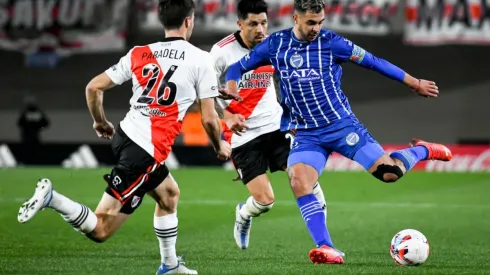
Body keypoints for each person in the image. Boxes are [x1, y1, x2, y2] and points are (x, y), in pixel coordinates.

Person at [222, 0, 452, 265]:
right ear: (295, 19)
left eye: (320, 22)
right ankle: (326, 247)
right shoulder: (276, 45)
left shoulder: (332, 42)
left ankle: (424, 149)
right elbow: (237, 67)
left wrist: (415, 83)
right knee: (298, 181)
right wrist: (231, 87)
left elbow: (373, 62)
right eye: (311, 23)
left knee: (390, 173)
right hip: (307, 133)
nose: (316, 28)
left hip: (343, 127)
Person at [17, 1, 233, 274]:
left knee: (168, 195)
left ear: (162, 21)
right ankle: (53, 199)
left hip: (125, 135)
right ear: (189, 21)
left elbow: (94, 87)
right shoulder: (201, 59)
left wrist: (100, 121)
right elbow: (209, 118)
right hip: (145, 150)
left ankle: (170, 265)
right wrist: (220, 145)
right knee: (101, 229)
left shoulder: (139, 53)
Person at [210, 0, 332, 252]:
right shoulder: (221, 52)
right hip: (243, 135)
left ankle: (325, 244)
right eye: (253, 24)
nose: (260, 29)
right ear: (239, 23)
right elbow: (202, 94)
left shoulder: (273, 45)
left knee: (306, 179)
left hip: (277, 127)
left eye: (264, 23)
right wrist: (226, 116)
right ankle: (243, 215)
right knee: (265, 201)